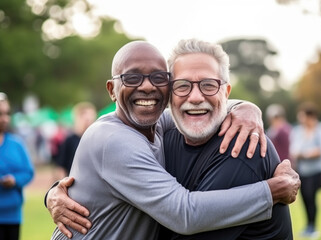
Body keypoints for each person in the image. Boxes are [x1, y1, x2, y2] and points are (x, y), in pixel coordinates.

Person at [46, 41, 300, 239]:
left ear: (166, 89)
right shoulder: (112, 139)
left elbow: (198, 107)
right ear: (112, 90)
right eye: (132, 78)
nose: (147, 87)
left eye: (158, 78)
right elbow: (184, 213)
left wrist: (246, 107)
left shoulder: (157, 125)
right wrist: (272, 191)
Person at [158, 39, 293, 239]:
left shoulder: (245, 144)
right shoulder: (164, 140)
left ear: (226, 92)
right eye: (183, 85)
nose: (195, 97)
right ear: (170, 95)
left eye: (208, 85)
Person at [290, 101, 321, 238]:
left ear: (311, 116)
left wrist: (307, 153)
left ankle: (313, 226)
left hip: (316, 170)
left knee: (311, 197)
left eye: (303, 116)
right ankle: (308, 225)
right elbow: (294, 149)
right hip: (302, 171)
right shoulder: (298, 131)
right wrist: (308, 152)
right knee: (304, 198)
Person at [0, 92, 34, 240]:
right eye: (0, 114)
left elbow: (28, 172)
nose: (5, 118)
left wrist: (14, 180)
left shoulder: (16, 144)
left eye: (7, 113)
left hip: (12, 216)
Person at [54, 102, 97, 179]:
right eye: (86, 119)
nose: (89, 122)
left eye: (91, 118)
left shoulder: (97, 139)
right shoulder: (69, 140)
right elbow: (61, 167)